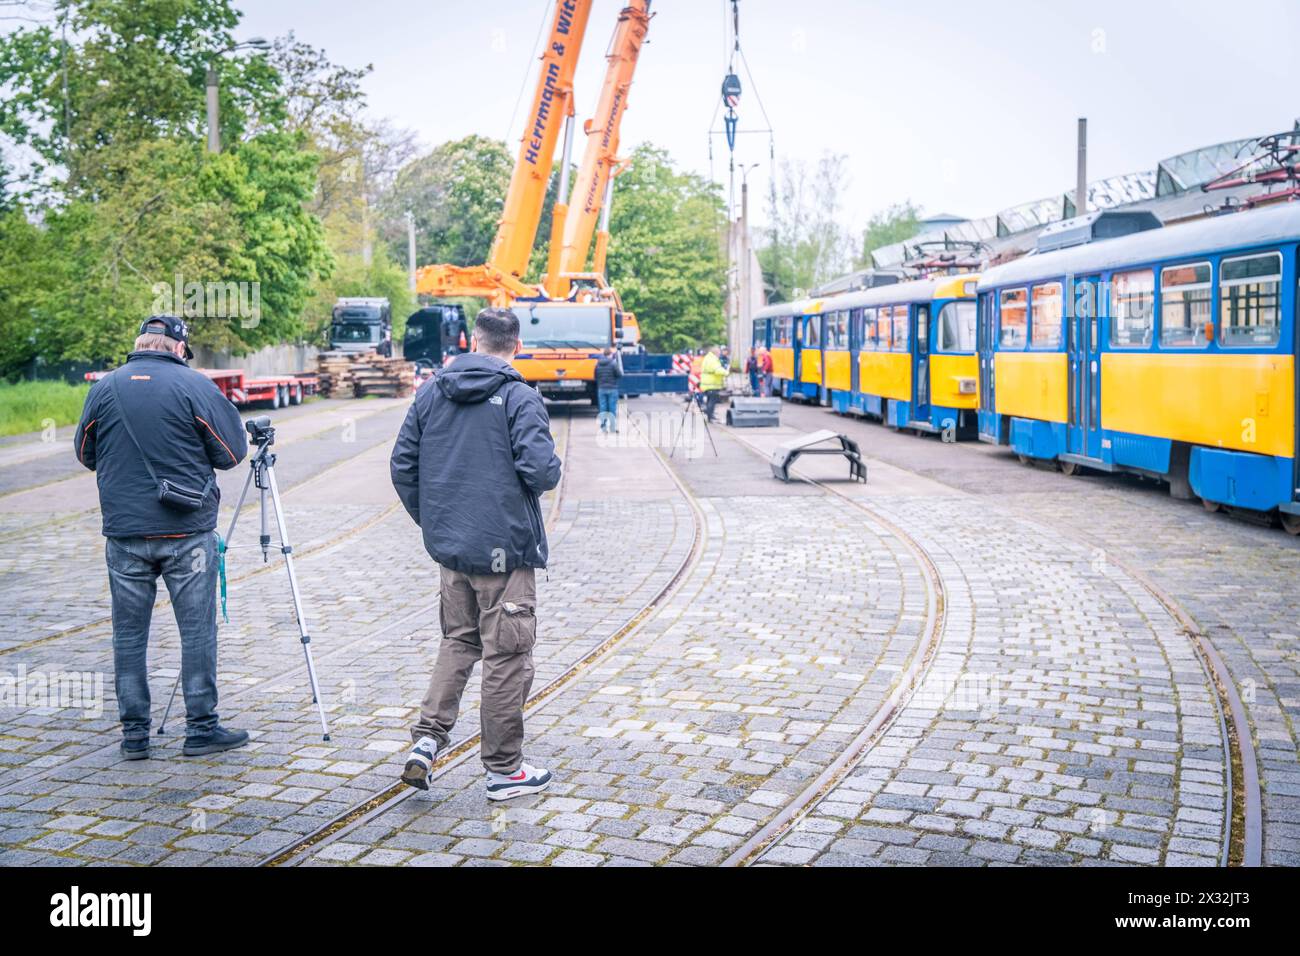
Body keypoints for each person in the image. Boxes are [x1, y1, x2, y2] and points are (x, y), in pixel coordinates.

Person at [390, 307, 562, 801]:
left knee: (459, 642)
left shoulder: (429, 393)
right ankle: (505, 770)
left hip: (454, 551)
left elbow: (403, 466)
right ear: (517, 345)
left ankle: (426, 740)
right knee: (507, 656)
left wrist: (437, 522)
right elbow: (540, 472)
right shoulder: (519, 396)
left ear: (472, 340)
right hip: (505, 553)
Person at [73, 316, 249, 760]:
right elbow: (231, 453)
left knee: (128, 636)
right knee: (196, 631)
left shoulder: (104, 388)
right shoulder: (195, 386)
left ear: (139, 345)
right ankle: (200, 729)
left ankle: (134, 736)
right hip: (186, 530)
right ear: (177, 349)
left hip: (125, 533)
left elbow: (84, 453)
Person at [593, 346, 622, 433]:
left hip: (601, 389)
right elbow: (619, 374)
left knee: (603, 408)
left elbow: (595, 376)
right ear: (610, 354)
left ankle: (603, 427)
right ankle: (612, 428)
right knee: (612, 409)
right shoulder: (613, 363)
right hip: (612, 388)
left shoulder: (598, 364)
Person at [699, 344, 727, 423]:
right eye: (719, 352)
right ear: (716, 353)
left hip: (707, 384)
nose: (720, 354)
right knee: (712, 400)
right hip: (712, 384)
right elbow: (717, 370)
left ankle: (709, 416)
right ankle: (710, 415)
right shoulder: (713, 360)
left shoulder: (708, 358)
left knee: (709, 400)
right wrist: (726, 372)